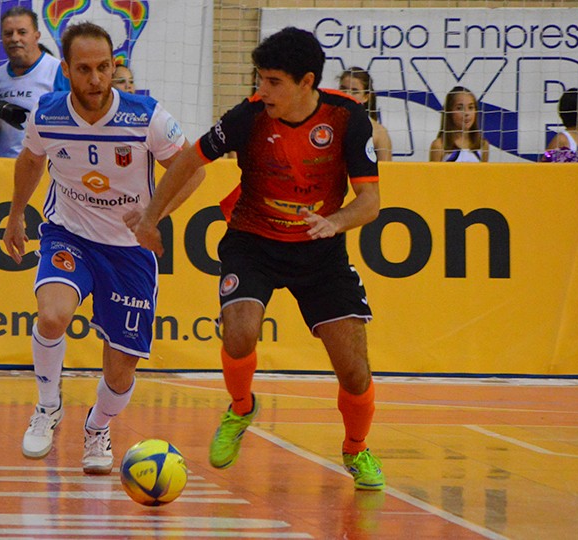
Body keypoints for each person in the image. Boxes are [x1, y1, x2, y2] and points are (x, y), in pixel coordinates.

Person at [127, 27, 385, 491]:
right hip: (253, 242)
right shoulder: (247, 117)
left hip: (321, 251)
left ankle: (356, 448)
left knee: (353, 369)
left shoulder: (348, 118)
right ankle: (241, 407)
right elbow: (190, 160)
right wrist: (152, 216)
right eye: (259, 79)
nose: (260, 90)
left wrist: (335, 222)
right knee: (240, 333)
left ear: (307, 82)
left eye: (272, 82)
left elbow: (370, 202)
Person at [2, 22, 203, 474]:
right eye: (85, 69)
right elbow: (31, 159)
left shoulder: (145, 116)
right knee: (52, 314)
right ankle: (47, 406)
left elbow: (192, 171)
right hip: (68, 233)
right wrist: (16, 215)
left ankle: (97, 427)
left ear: (115, 66)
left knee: (120, 369)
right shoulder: (47, 114)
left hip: (129, 249)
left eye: (104, 67)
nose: (96, 79)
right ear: (67, 71)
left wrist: (153, 217)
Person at [0, 6, 62, 158]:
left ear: (36, 36)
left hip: (45, 167)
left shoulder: (57, 70)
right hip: (4, 168)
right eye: (8, 33)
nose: (14, 38)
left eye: (22, 32)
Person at [338, 67, 392, 161]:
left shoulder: (379, 132)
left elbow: (386, 172)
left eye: (355, 91)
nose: (347, 95)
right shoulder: (326, 125)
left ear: (366, 97)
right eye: (343, 89)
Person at [429, 86, 489, 162]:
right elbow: (433, 174)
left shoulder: (483, 145)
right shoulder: (439, 146)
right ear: (449, 112)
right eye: (459, 108)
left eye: (470, 107)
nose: (466, 113)